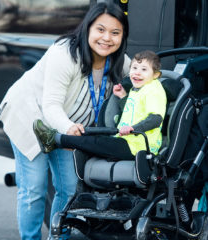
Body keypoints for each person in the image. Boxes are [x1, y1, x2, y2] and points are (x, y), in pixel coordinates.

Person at [0, 2, 130, 240]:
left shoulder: (120, 61)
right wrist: (69, 129)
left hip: (69, 129)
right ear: (87, 28)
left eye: (115, 33)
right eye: (101, 29)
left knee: (69, 188)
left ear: (122, 37)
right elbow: (51, 106)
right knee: (33, 187)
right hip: (32, 117)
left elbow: (144, 82)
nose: (107, 38)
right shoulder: (66, 53)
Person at [33, 50, 167, 160]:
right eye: (134, 68)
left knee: (97, 142)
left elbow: (156, 118)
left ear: (155, 75)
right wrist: (123, 97)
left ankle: (55, 140)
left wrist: (133, 128)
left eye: (144, 69)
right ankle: (56, 140)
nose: (137, 72)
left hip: (139, 147)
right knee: (91, 137)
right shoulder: (137, 89)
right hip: (127, 141)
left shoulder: (154, 90)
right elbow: (132, 110)